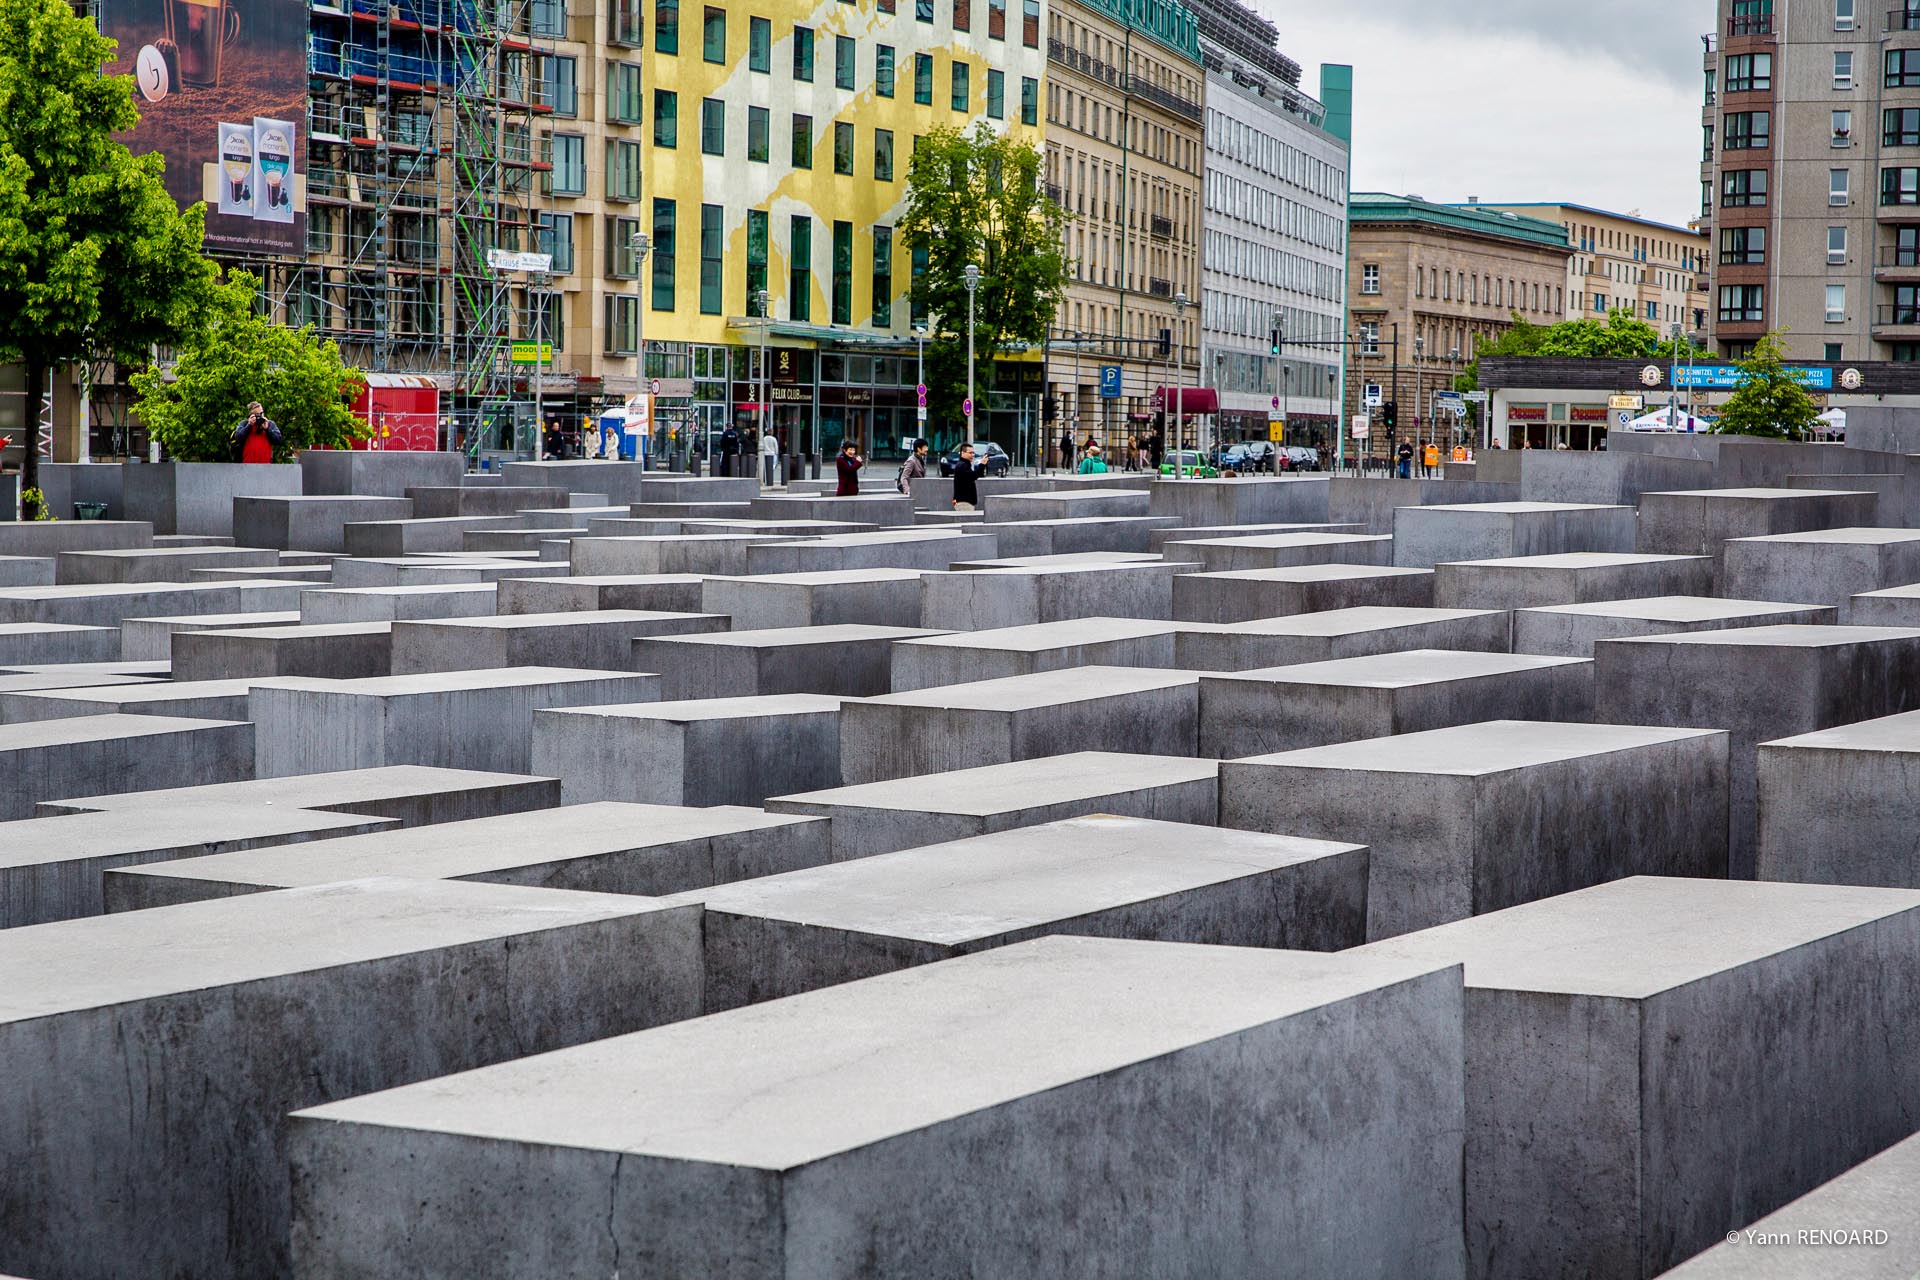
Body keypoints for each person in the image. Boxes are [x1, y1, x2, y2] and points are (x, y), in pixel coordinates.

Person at [950, 441, 987, 510]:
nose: (972, 455)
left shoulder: (963, 464)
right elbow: (973, 476)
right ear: (962, 453)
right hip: (964, 503)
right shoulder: (962, 465)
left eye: (973, 453)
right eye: (970, 453)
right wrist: (982, 464)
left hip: (964, 502)